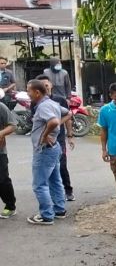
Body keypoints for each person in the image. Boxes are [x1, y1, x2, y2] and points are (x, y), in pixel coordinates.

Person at [25, 79, 69, 225]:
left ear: (37, 92)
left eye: (29, 90)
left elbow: (54, 122)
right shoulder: (52, 104)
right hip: (54, 148)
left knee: (39, 184)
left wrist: (45, 135)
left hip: (44, 150)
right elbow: (67, 113)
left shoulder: (44, 106)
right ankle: (59, 209)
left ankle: (46, 216)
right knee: (54, 180)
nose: (27, 93)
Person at [37, 75, 75, 201]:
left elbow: (68, 117)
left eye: (46, 85)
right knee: (47, 168)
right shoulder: (36, 103)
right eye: (42, 86)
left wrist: (70, 135)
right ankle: (52, 194)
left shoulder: (60, 100)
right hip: (42, 141)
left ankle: (68, 190)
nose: (45, 88)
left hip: (58, 139)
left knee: (62, 165)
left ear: (51, 85)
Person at [0, 99, 16, 218]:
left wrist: (1, 134)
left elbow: (12, 125)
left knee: (2, 180)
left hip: (0, 151)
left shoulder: (1, 107)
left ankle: (10, 206)